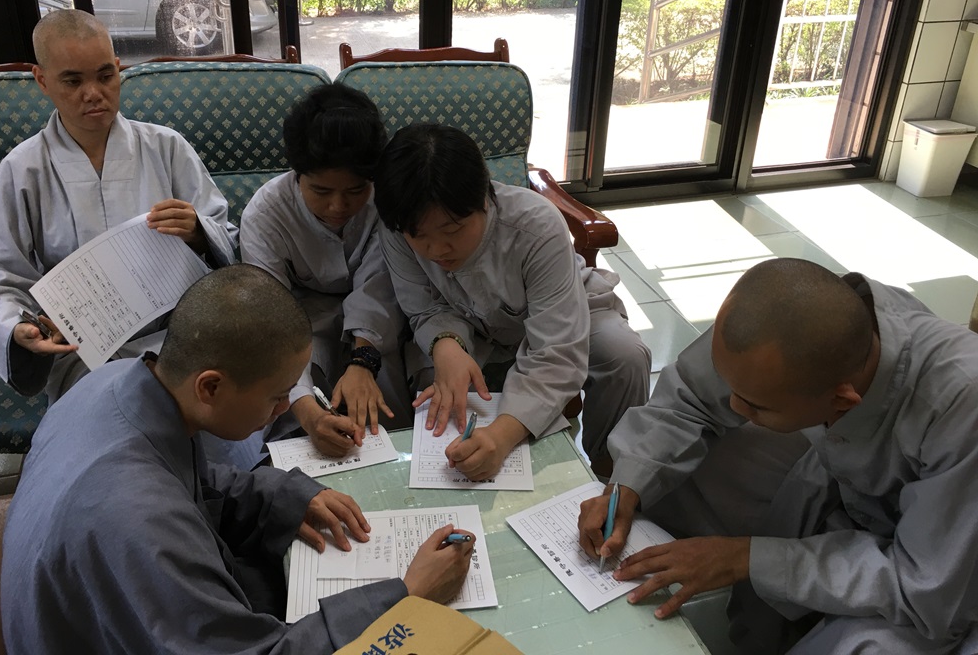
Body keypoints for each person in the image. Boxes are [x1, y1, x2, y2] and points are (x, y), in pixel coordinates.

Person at [1, 264, 476, 654]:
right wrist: (407, 597)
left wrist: (286, 498)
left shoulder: (118, 380)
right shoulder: (140, 520)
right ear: (210, 386)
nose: (285, 409)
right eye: (276, 396)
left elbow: (193, 482)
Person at [578, 257, 978, 654]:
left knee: (866, 647)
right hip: (840, 482)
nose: (733, 405)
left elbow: (925, 586)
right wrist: (626, 487)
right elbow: (693, 397)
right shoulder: (792, 321)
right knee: (675, 478)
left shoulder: (960, 407)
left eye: (754, 404)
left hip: (944, 568)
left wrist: (746, 558)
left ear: (842, 401)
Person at [0, 9, 236, 401]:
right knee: (120, 421)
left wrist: (199, 232)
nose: (93, 93)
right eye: (73, 81)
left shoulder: (166, 147)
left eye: (105, 76)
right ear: (42, 80)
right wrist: (17, 324)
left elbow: (227, 236)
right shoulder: (25, 168)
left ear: (119, 69)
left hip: (180, 335)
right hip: (82, 350)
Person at [372, 123, 651, 480]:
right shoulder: (396, 227)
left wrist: (501, 436)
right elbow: (424, 306)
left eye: (453, 230)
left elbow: (557, 348)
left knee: (625, 356)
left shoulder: (535, 225)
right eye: (419, 236)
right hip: (468, 325)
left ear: (485, 199)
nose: (437, 250)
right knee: (437, 386)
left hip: (565, 306)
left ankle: (611, 473)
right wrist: (446, 344)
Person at [240, 84, 412, 457]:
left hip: (381, 318)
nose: (338, 206)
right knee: (296, 408)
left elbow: (378, 286)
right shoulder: (266, 215)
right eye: (320, 191)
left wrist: (364, 361)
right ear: (297, 175)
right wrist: (306, 410)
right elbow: (271, 316)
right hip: (299, 317)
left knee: (389, 400)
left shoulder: (387, 200)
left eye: (355, 191)